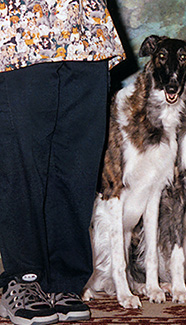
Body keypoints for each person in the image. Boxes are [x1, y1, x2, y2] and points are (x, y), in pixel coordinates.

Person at [0, 0, 125, 324]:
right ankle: (24, 278)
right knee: (21, 163)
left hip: (86, 33)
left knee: (77, 167)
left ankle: (64, 281)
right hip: (21, 31)